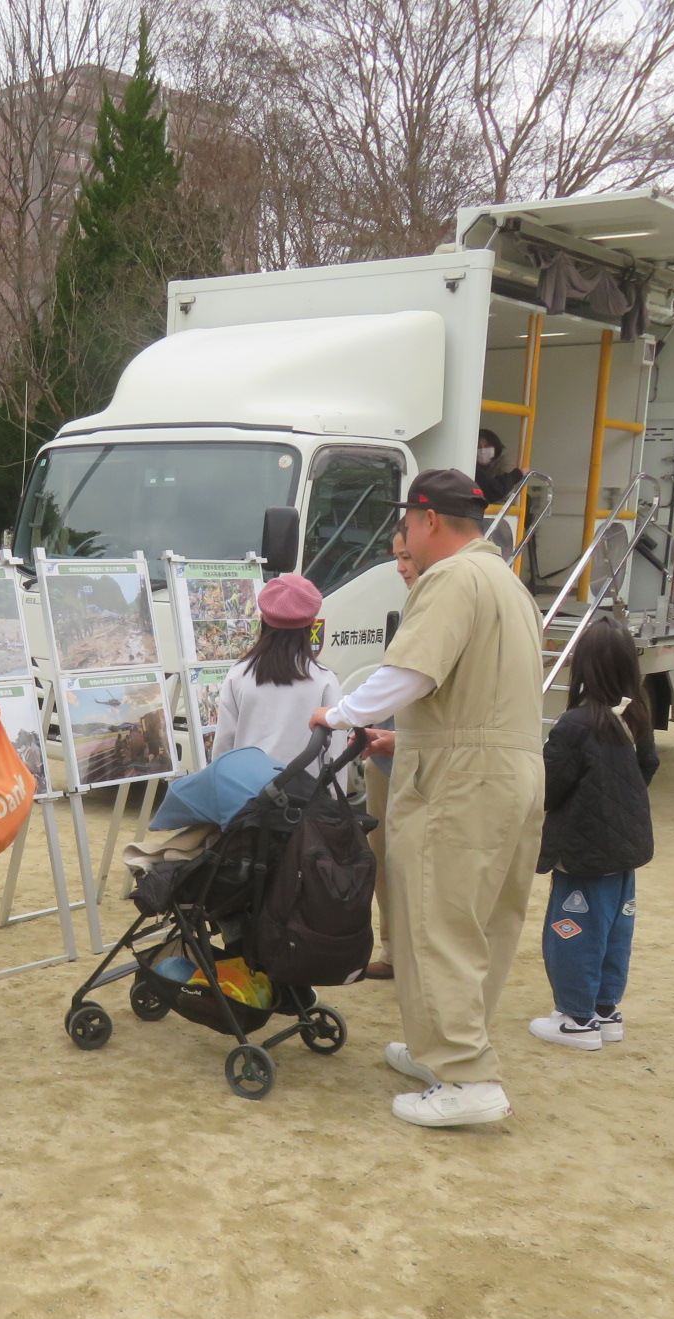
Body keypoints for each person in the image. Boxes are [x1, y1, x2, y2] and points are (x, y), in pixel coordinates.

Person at [312, 468, 545, 1128]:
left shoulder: (451, 578)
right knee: (482, 921)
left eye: (408, 524)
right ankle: (442, 1051)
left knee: (436, 921)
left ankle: (467, 1076)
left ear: (428, 519)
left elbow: (409, 671)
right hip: (513, 769)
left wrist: (341, 715)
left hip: (464, 780)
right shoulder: (506, 581)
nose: (405, 539)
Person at [529, 618, 658, 1051]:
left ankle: (576, 1017)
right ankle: (605, 1010)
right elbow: (649, 767)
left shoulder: (577, 723)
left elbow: (548, 786)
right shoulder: (638, 715)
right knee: (616, 929)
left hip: (584, 852)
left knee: (573, 929)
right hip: (626, 848)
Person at [361, 527, 419, 980]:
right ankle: (394, 951)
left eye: (406, 557)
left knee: (417, 865)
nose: (400, 567)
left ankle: (419, 956)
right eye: (397, 557)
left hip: (425, 763)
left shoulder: (448, 601)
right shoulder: (412, 603)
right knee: (380, 857)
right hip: (384, 757)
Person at [209, 574, 345, 761]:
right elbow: (335, 751)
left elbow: (223, 745)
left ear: (262, 619)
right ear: (313, 625)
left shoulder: (239, 674)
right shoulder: (324, 680)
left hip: (246, 787)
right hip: (306, 789)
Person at [474, 428, 525, 510]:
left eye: (487, 446)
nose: (483, 450)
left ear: (495, 447)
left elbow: (505, 492)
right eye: (479, 447)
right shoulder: (471, 467)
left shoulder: (504, 462)